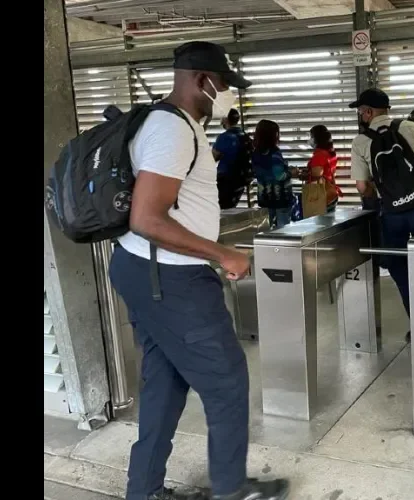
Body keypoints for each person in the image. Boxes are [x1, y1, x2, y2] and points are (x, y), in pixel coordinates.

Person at [107, 41, 289, 500]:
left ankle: (143, 490)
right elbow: (147, 218)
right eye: (224, 83)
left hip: (147, 271)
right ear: (201, 79)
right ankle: (232, 490)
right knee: (226, 380)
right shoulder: (172, 131)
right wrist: (220, 253)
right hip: (170, 277)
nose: (227, 92)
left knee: (165, 384)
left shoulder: (172, 124)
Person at [350, 88, 414, 343]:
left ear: (368, 111)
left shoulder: (361, 141)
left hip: (392, 214)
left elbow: (362, 187)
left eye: (360, 111)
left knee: (400, 268)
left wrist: (386, 193)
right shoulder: (410, 127)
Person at [252, 119, 295, 229]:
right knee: (284, 230)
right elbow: (279, 175)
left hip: (264, 197)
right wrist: (292, 172)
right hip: (281, 197)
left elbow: (256, 172)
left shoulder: (255, 153)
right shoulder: (275, 153)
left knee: (266, 228)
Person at [212, 108, 252, 209]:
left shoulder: (225, 137)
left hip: (226, 181)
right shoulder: (244, 136)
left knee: (221, 209)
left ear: (225, 119)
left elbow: (212, 158)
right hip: (241, 181)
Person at [306, 124, 341, 213]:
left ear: (317, 138)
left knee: (321, 224)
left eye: (311, 137)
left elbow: (317, 174)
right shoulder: (330, 153)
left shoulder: (319, 155)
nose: (310, 139)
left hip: (321, 195)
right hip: (331, 192)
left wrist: (302, 174)